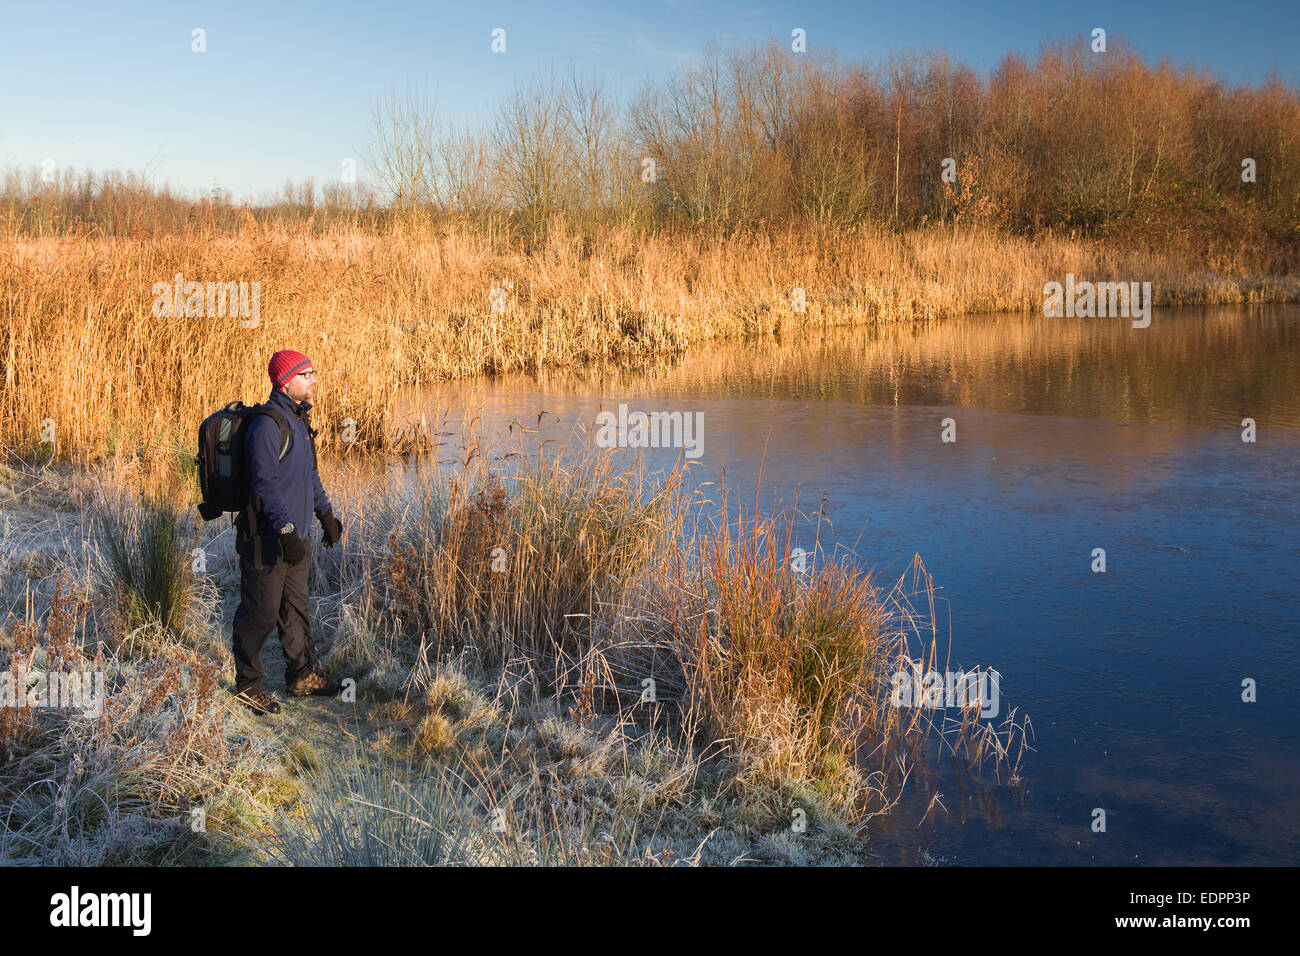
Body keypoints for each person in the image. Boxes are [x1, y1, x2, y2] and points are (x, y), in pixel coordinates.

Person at [230, 349, 344, 715]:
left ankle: (301, 674)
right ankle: (248, 685)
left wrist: (325, 515)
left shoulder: (298, 420)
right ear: (285, 381)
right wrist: (288, 531)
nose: (313, 378)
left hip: (297, 539)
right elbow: (265, 486)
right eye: (306, 373)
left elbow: (310, 475)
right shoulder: (267, 425)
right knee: (259, 614)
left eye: (313, 371)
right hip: (267, 539)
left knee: (296, 610)